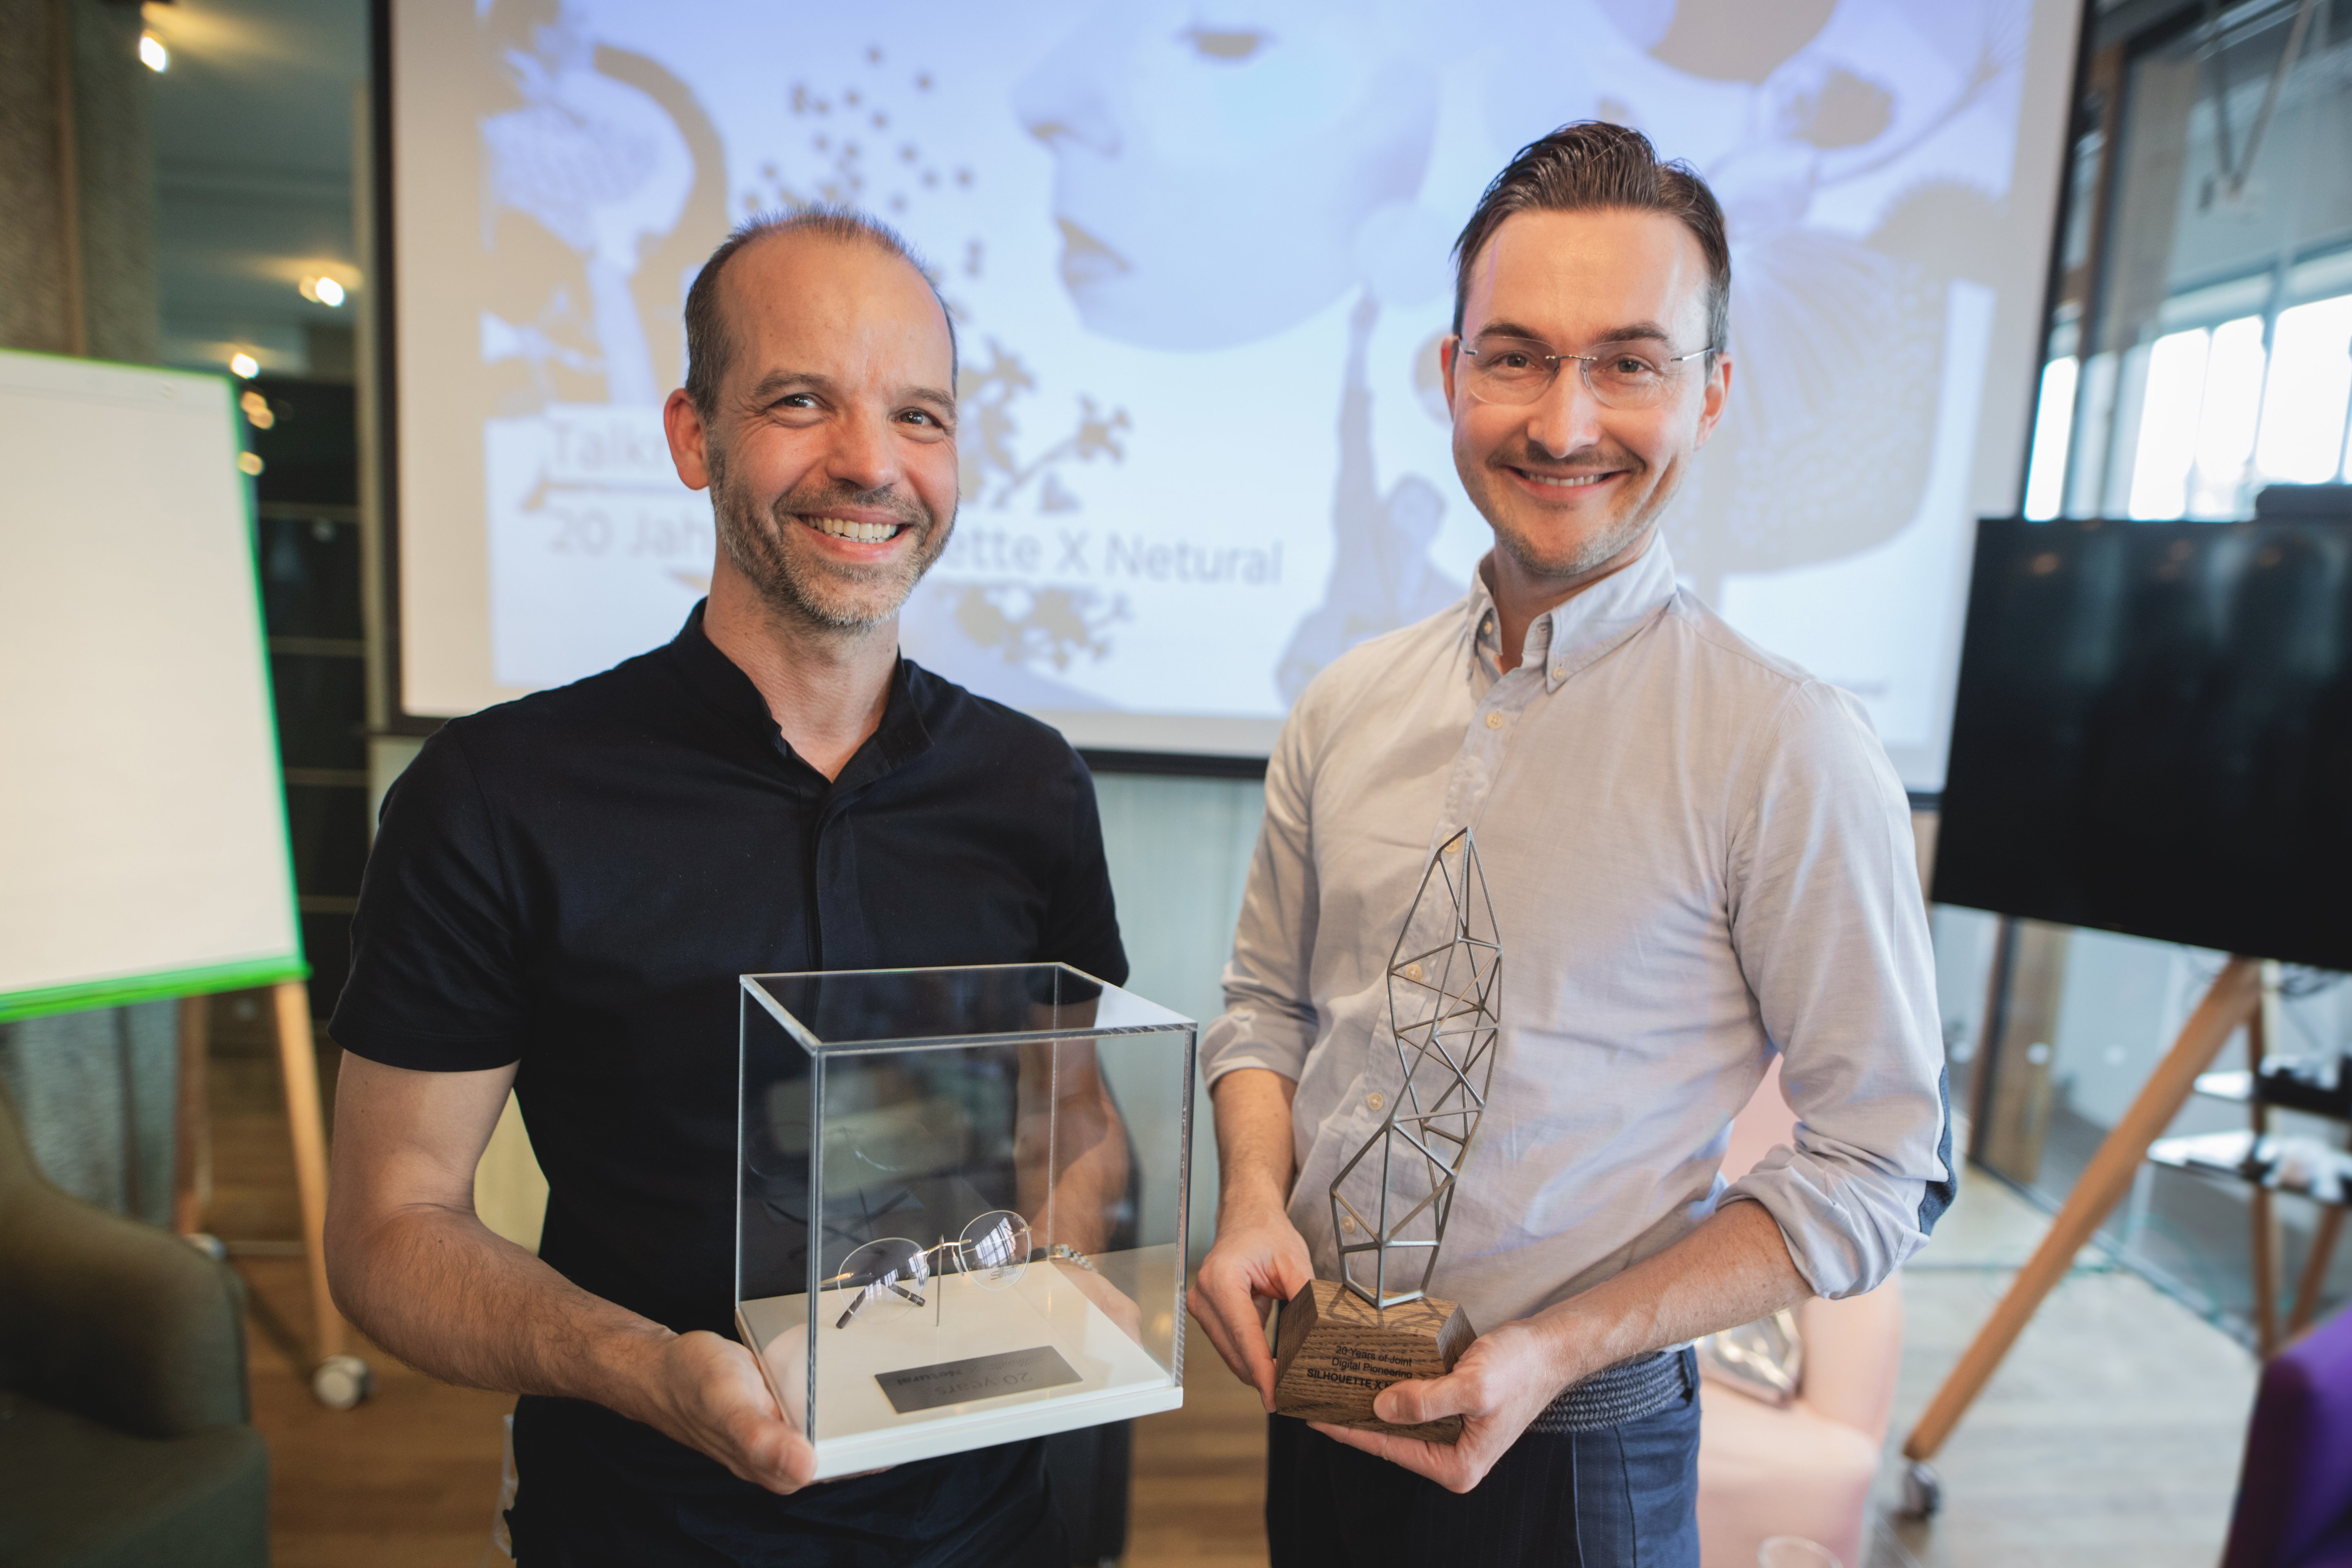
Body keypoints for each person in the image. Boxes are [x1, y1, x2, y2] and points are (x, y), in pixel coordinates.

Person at [1187, 123, 1950, 1566]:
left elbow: (1880, 1163)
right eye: (1517, 357)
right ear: (1450, 374)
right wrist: (1245, 1205)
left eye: (1629, 364)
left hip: (1581, 1457)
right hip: (1318, 1402)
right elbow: (1266, 1013)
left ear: (1709, 393)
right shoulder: (1343, 703)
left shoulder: (1787, 745)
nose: (1562, 422)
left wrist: (1561, 1346)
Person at [323, 208, 1129, 1565]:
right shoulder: (498, 794)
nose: (870, 463)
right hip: (644, 1521)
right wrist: (648, 1369)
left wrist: (1044, 1289)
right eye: (801, 402)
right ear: (692, 437)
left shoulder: (1031, 785)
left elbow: (1076, 1122)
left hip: (988, 1525)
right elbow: (389, 1228)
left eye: (919, 417)